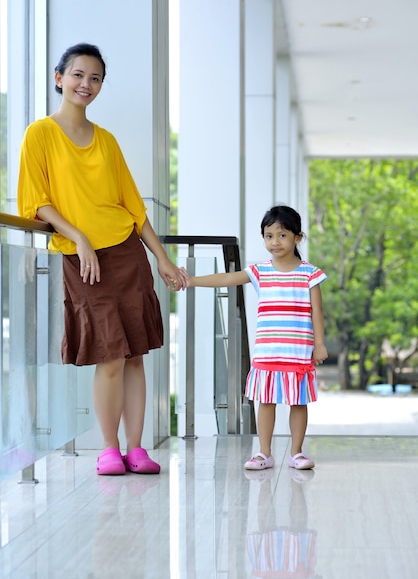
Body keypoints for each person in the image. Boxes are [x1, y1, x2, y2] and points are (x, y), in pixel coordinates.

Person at [17, 42, 187, 476]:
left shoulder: (107, 141)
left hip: (127, 254)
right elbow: (35, 203)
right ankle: (109, 449)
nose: (85, 85)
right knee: (110, 354)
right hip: (82, 258)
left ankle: (136, 448)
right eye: (77, 75)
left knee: (135, 354)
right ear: (59, 78)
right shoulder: (40, 134)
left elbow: (133, 208)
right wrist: (79, 238)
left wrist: (162, 260)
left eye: (94, 79)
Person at [182, 205, 327, 471]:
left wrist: (319, 344)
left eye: (282, 235)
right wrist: (191, 280)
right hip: (268, 351)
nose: (275, 242)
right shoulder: (260, 271)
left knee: (298, 402)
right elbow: (227, 278)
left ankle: (296, 453)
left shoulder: (310, 274)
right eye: (269, 235)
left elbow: (317, 310)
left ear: (298, 237)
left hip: (298, 351)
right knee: (266, 401)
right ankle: (264, 453)